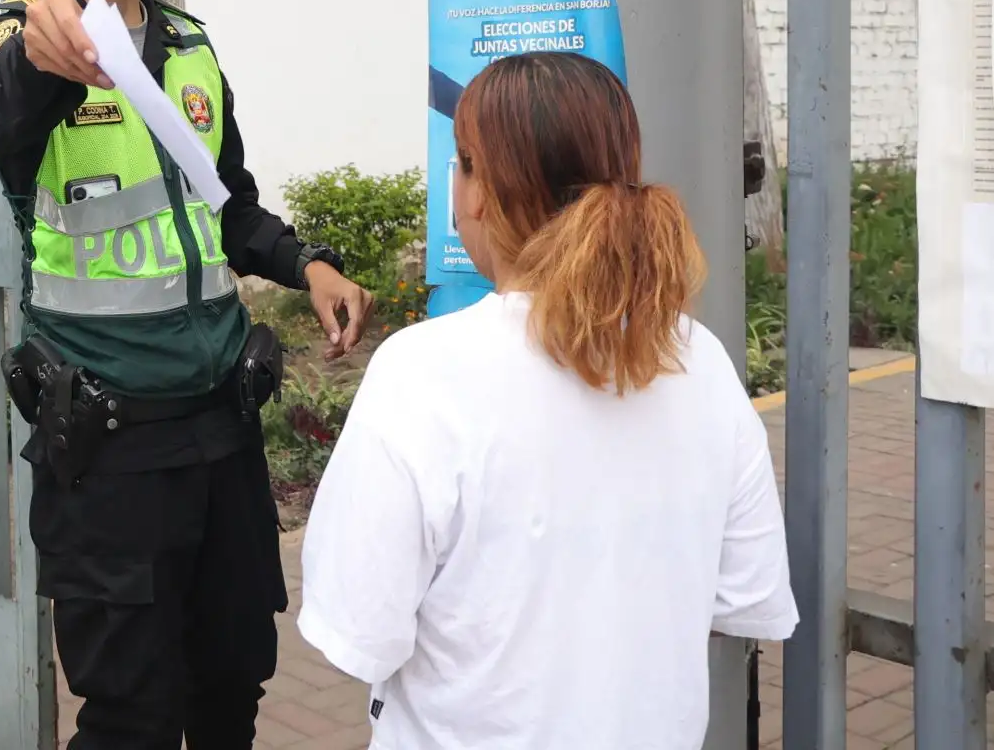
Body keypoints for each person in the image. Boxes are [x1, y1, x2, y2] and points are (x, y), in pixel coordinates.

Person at [0, 0, 374, 749]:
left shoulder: (189, 45)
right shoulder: (22, 37)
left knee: (230, 690)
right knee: (130, 719)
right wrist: (46, 40)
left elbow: (227, 204)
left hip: (223, 438)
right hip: (109, 452)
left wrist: (306, 262)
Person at [297, 51, 798, 749]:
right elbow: (742, 596)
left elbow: (361, 628)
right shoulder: (698, 360)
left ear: (474, 190)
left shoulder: (422, 375)